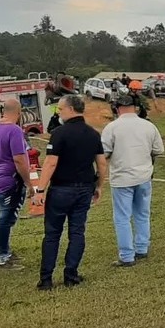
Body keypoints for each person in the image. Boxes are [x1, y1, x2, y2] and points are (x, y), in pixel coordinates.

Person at [33, 94, 107, 291]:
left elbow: (50, 162)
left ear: (71, 109)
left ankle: (46, 278)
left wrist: (39, 190)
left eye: (60, 109)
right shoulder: (93, 134)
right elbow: (101, 163)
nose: (58, 112)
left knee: (52, 234)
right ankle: (71, 274)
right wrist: (99, 186)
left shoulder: (59, 133)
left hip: (60, 190)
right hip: (84, 189)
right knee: (77, 232)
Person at [101, 94, 164, 266]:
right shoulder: (149, 126)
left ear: (117, 108)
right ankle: (142, 247)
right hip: (144, 176)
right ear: (135, 107)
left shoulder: (111, 128)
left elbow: (104, 153)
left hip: (122, 179)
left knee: (122, 217)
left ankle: (127, 255)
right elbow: (158, 150)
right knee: (142, 213)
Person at [0, 98, 33, 269]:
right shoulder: (14, 130)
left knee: (3, 216)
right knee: (5, 218)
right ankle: (2, 256)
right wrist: (28, 183)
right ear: (19, 112)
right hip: (10, 179)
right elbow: (19, 159)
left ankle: (5, 250)